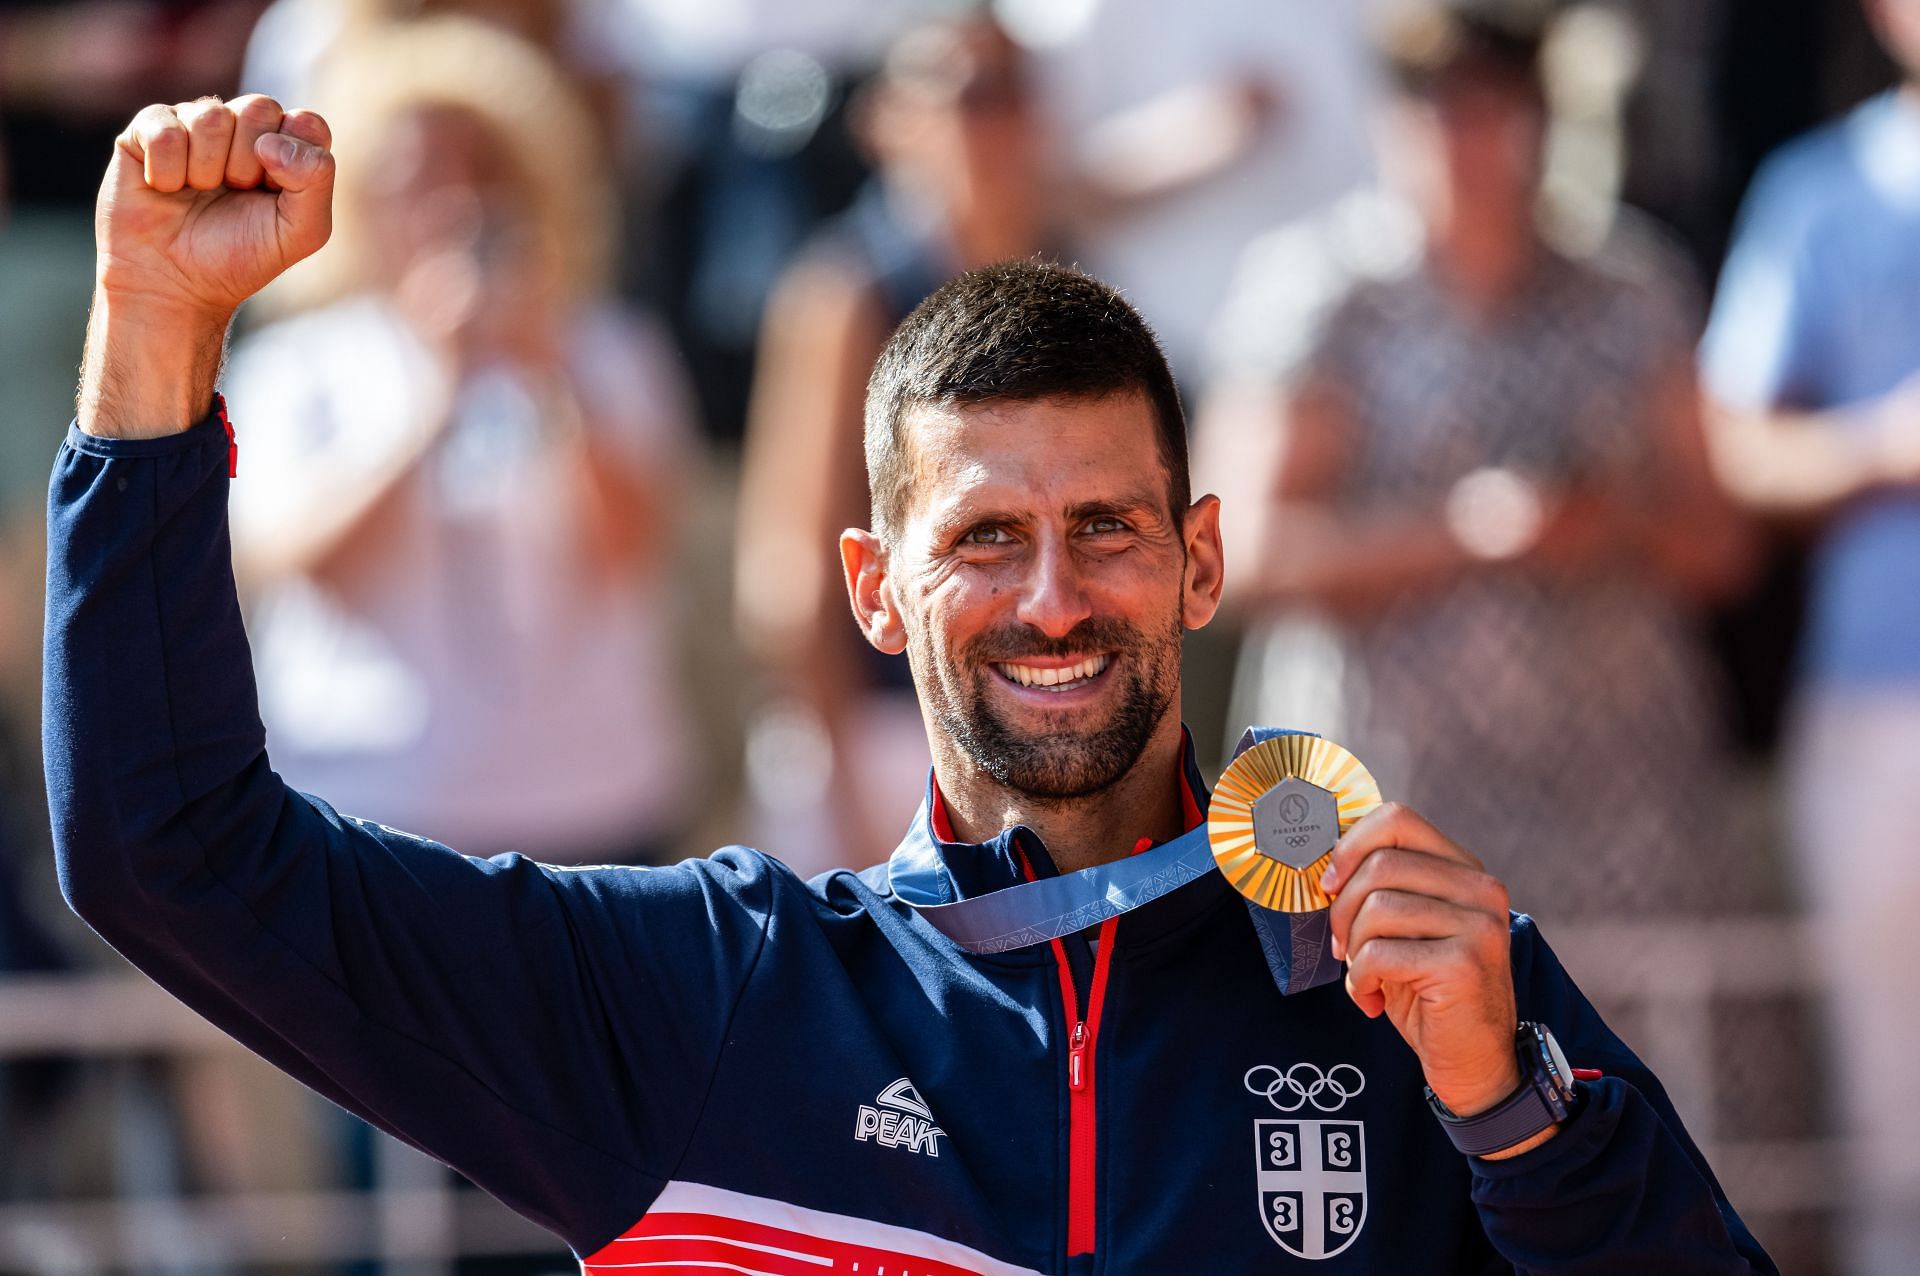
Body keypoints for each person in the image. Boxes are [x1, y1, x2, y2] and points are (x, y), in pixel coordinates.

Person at [45, 93, 1772, 1271]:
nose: (1051, 597)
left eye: (1108, 527)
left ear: (1202, 563)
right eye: (982, 540)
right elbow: (172, 847)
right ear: (873, 590)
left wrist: (1517, 1120)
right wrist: (147, 335)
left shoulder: (1419, 980)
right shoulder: (715, 1000)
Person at [1198, 2, 1752, 926]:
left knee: (1641, 1070)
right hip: (1384, 806)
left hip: (1624, 818)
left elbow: (1722, 544)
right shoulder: (1317, 296)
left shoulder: (1633, 288)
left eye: (1490, 104)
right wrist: (1464, 536)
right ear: (1389, 118)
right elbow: (1241, 557)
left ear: (1539, 115)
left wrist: (1607, 527)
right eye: (1432, 103)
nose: (1462, 136)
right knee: (1373, 1065)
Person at [222, 19, 700, 866]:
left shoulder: (606, 351)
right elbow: (299, 563)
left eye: (481, 170)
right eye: (416, 178)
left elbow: (636, 547)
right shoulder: (299, 365)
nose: (454, 203)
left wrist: (548, 375)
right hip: (370, 808)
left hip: (593, 803)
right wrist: (435, 394)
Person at [1701, 1, 1920, 1268]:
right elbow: (1731, 446)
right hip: (1874, 713)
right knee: (1890, 1131)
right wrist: (1883, 445)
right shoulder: (1820, 190)